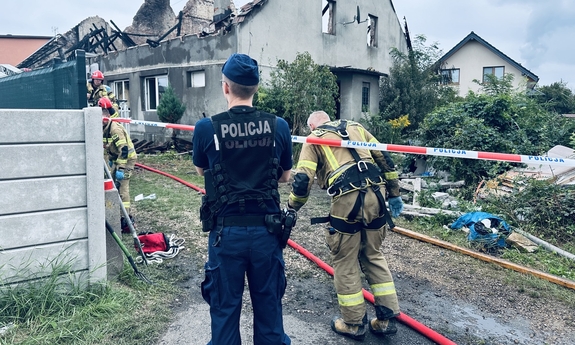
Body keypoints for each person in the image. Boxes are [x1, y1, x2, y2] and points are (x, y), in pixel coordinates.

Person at [192, 53, 293, 345]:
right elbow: (285, 176)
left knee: (224, 311)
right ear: (256, 88)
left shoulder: (206, 128)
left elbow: (202, 169)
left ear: (226, 87)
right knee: (270, 310)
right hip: (267, 232)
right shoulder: (279, 126)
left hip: (226, 235)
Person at [287, 111, 404, 341]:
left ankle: (352, 324)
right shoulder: (356, 127)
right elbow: (384, 158)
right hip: (376, 196)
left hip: (348, 198)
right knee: (373, 254)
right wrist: (394, 193)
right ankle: (386, 320)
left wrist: (292, 207)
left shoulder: (314, 138)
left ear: (312, 125)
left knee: (345, 259)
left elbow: (302, 182)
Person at [99, 97, 137, 232]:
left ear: (107, 116)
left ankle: (126, 219)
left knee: (123, 187)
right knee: (114, 184)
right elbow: (110, 145)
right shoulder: (104, 128)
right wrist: (110, 157)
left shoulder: (115, 129)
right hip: (117, 158)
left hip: (127, 160)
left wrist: (121, 168)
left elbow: (124, 150)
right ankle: (116, 212)